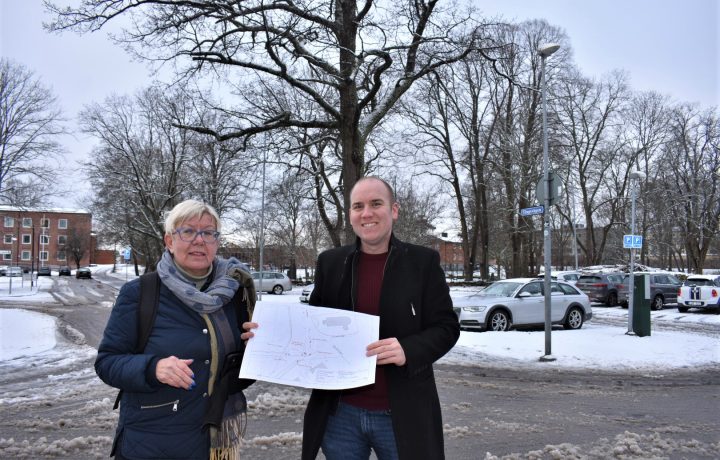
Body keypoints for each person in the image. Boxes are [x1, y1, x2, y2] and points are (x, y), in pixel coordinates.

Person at [243, 176, 460, 460]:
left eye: (376, 204)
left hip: (401, 414)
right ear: (350, 215)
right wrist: (266, 336)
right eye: (358, 206)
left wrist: (408, 349)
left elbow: (446, 327)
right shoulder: (330, 262)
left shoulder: (422, 262)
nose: (366, 213)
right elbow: (311, 327)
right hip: (340, 415)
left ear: (393, 210)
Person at [96, 199, 255, 460]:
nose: (199, 240)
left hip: (214, 443)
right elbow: (107, 363)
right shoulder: (140, 293)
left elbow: (237, 378)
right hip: (152, 444)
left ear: (216, 242)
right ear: (170, 242)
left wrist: (254, 351)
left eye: (208, 233)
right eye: (188, 231)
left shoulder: (235, 295)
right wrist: (152, 368)